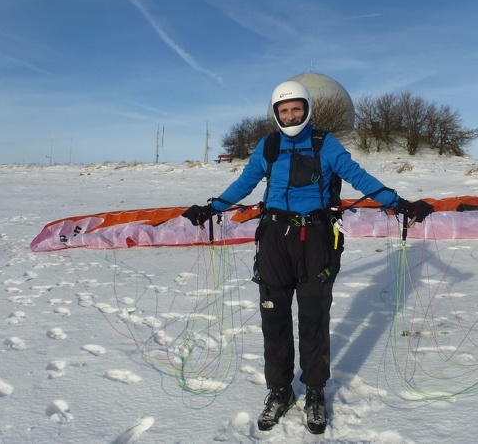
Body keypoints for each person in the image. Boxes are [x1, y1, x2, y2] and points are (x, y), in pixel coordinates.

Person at [183, 80, 433, 435]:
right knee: (274, 318)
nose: (290, 115)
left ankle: (314, 390)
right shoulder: (268, 145)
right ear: (275, 114)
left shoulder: (324, 144)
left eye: (296, 108)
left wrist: (399, 203)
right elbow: (246, 182)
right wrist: (212, 208)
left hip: (315, 239)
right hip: (273, 239)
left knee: (314, 318)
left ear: (307, 109)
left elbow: (358, 176)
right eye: (283, 110)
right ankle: (280, 390)